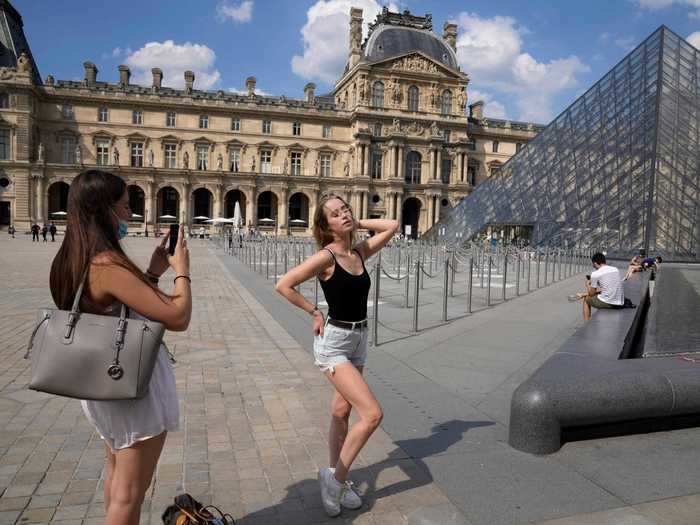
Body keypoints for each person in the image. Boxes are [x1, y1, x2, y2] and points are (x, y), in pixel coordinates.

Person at [49, 169, 191, 525]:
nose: (129, 215)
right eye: (124, 207)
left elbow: (113, 308)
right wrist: (182, 271)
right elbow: (177, 316)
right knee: (129, 495)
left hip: (102, 382)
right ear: (104, 211)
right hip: (131, 388)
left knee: (116, 481)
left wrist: (153, 273)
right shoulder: (107, 264)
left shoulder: (69, 258)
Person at [275, 193, 399, 517]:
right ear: (325, 224)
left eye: (345, 209)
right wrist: (314, 311)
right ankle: (336, 481)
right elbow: (284, 285)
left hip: (360, 338)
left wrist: (357, 223)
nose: (343, 214)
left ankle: (332, 472)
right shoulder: (326, 257)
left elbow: (392, 224)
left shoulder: (359, 251)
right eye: (336, 213)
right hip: (334, 342)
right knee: (371, 415)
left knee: (342, 410)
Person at [568, 252, 624, 321]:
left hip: (610, 303)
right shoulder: (615, 269)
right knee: (598, 295)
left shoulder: (595, 274)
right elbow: (606, 289)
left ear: (595, 263)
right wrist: (583, 293)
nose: (593, 266)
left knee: (586, 299)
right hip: (620, 302)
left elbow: (592, 294)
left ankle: (586, 323)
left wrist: (588, 284)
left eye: (593, 264)